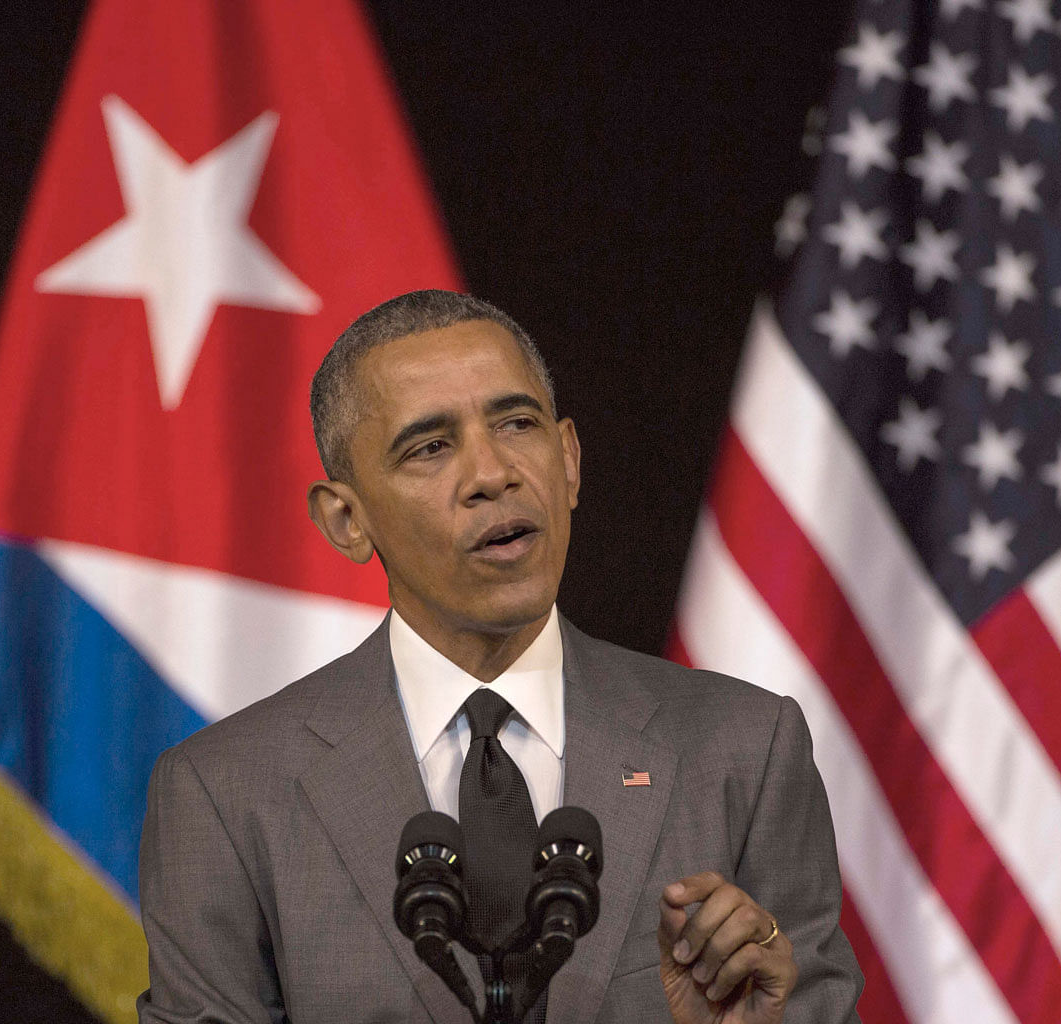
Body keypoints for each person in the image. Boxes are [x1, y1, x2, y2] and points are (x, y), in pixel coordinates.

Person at [137, 290, 863, 1024]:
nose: (493, 473)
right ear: (347, 520)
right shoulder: (224, 795)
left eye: (518, 423)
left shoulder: (744, 748)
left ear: (570, 460)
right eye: (430, 447)